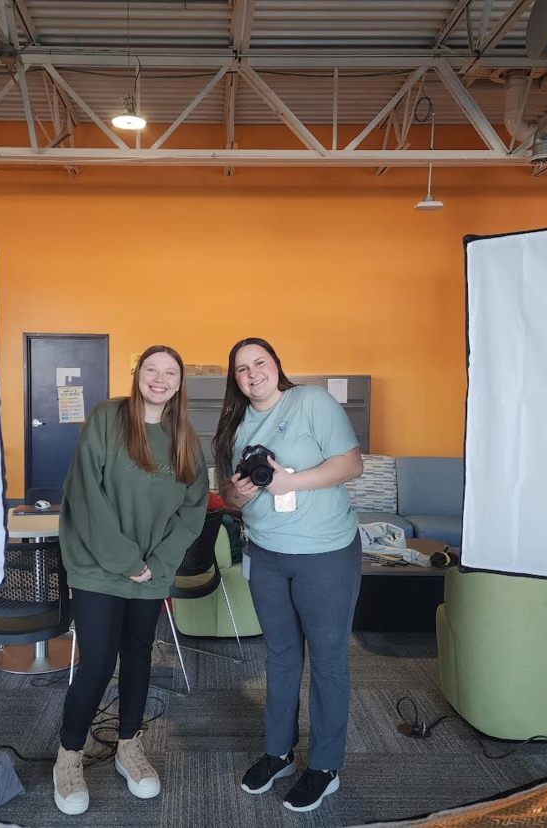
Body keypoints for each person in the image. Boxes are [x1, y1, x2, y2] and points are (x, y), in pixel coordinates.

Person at [53, 345, 209, 816]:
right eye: (152, 370)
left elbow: (193, 507)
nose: (160, 379)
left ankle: (128, 746)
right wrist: (126, 560)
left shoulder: (184, 436)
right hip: (99, 565)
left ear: (180, 383)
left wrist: (158, 562)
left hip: (151, 570)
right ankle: (69, 754)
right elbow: (86, 495)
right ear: (138, 373)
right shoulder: (107, 418)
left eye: (171, 373)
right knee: (98, 661)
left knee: (139, 654)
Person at [212, 337, 364, 813]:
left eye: (260, 362)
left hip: (325, 553)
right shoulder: (235, 426)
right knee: (279, 656)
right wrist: (240, 493)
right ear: (234, 380)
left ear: (277, 365)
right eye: (242, 369)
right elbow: (233, 502)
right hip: (267, 554)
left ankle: (324, 765)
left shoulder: (311, 402)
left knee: (327, 658)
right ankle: (278, 752)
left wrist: (287, 480)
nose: (253, 373)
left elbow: (351, 464)